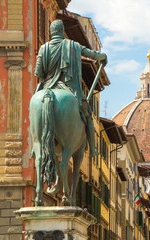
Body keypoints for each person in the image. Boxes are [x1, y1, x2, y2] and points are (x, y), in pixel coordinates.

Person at [34, 19, 107, 157]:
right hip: (69, 89)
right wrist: (101, 56)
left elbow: (38, 73)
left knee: (34, 111)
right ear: (62, 31)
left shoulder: (44, 48)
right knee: (88, 116)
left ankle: (34, 145)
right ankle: (93, 149)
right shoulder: (73, 46)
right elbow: (91, 54)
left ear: (51, 32)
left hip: (47, 87)